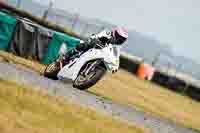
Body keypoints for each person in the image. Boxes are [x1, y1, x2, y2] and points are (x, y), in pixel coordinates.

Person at [60, 27, 128, 70]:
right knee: (86, 44)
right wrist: (99, 40)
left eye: (121, 40)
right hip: (94, 43)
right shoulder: (107, 33)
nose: (118, 40)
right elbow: (98, 36)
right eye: (118, 37)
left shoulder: (116, 47)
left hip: (100, 53)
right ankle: (67, 56)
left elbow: (116, 57)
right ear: (114, 33)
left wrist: (115, 66)